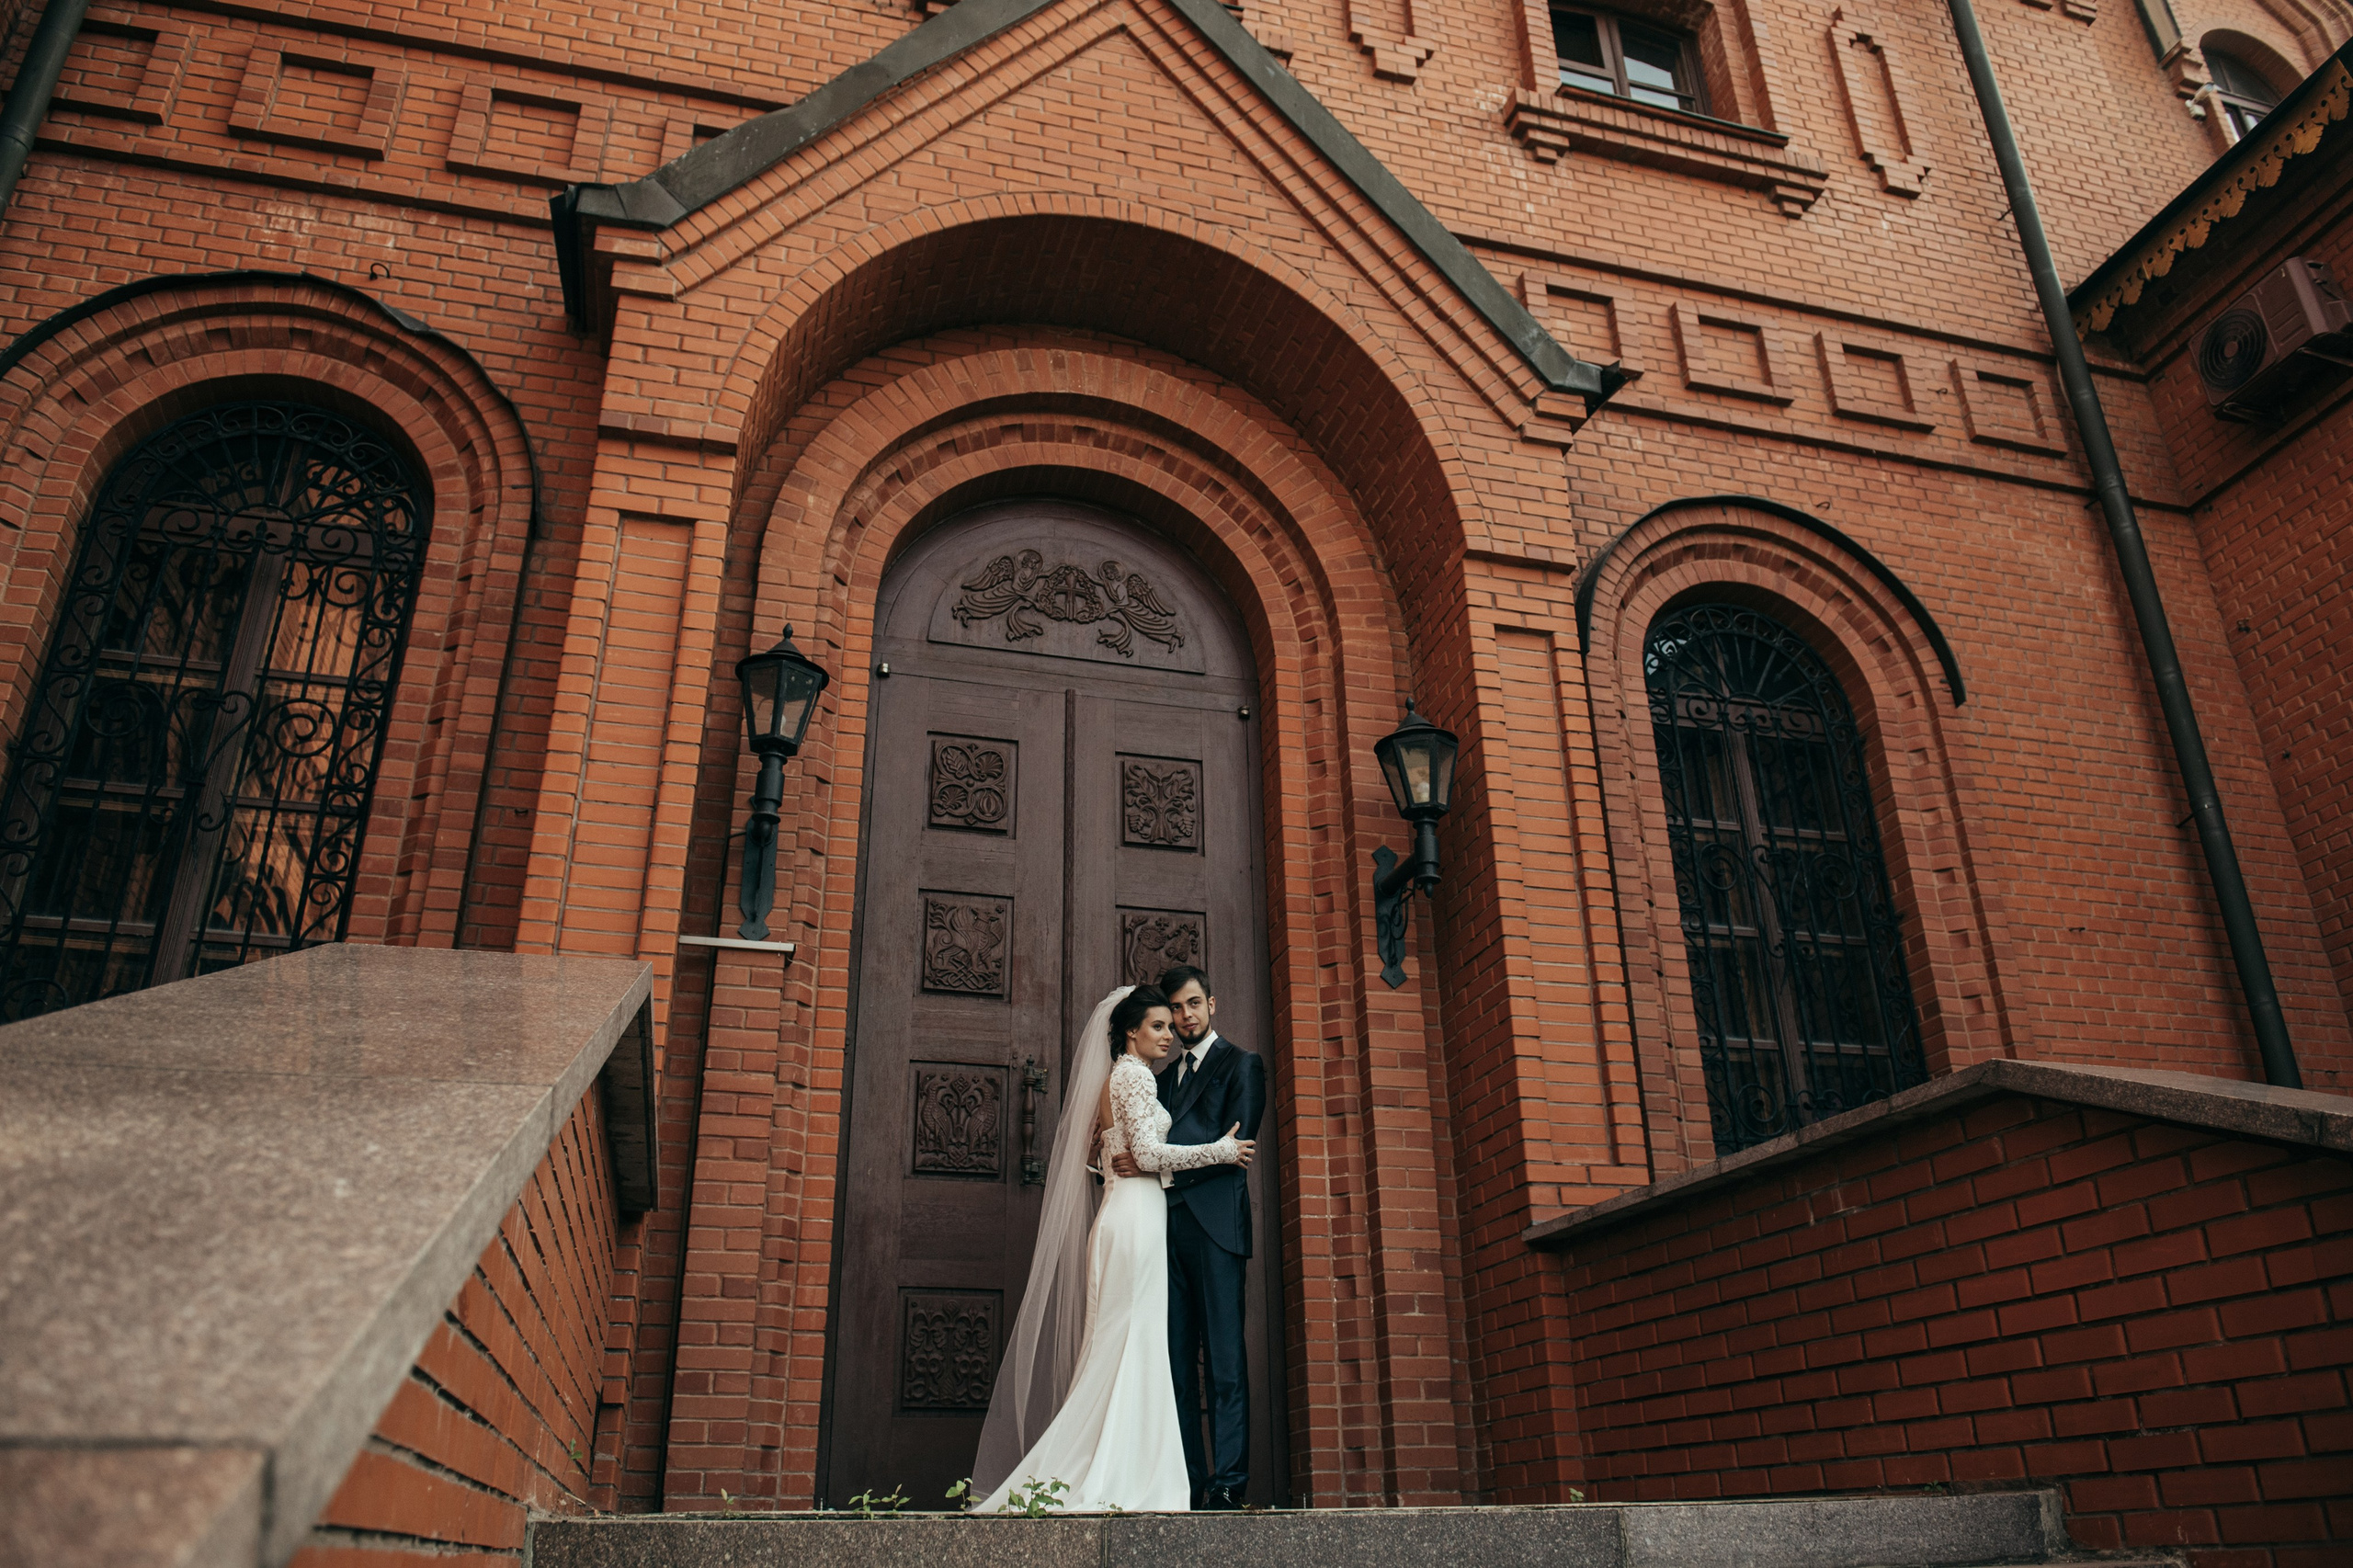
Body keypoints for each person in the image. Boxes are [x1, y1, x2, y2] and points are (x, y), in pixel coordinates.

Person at [970, 984, 1255, 1512]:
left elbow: (1105, 1153)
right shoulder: (1136, 1076)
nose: (1170, 1034)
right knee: (1133, 1342)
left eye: (1171, 1025)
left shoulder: (1114, 1080)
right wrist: (1221, 1150)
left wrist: (1120, 1159)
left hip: (1126, 1213)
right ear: (1130, 1031)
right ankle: (1125, 1472)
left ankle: (1121, 1464)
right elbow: (1146, 1151)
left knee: (1124, 1343)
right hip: (1137, 1218)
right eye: (1158, 1026)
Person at [1107, 964, 1267, 1510]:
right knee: (1174, 1361)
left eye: (1193, 1003)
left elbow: (1236, 1143)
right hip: (1163, 1229)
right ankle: (1187, 1481)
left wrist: (1153, 1165)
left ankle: (1227, 1483)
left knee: (1223, 1361)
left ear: (1211, 1004)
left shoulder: (1243, 1064)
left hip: (1217, 1228)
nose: (1184, 1017)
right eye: (1174, 1009)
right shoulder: (1160, 1075)